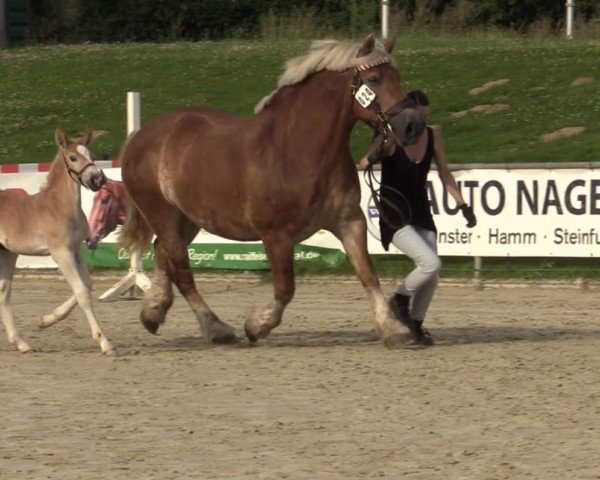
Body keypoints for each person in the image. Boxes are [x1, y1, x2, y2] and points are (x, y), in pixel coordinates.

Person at [358, 90, 476, 345]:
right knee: (431, 263)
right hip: (394, 213)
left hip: (421, 211)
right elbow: (362, 163)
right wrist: (373, 156)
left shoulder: (433, 136)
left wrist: (462, 204)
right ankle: (399, 299)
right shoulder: (389, 136)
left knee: (431, 275)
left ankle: (415, 325)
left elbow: (444, 173)